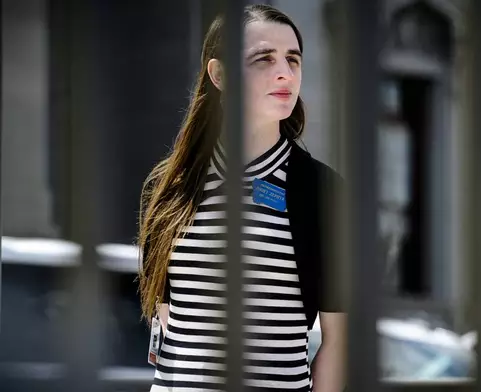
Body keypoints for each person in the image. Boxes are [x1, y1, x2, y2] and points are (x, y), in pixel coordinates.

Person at [137, 4, 346, 392]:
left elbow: (339, 341)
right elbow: (167, 329)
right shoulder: (169, 188)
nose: (285, 72)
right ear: (220, 74)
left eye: (293, 59)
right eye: (264, 59)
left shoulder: (323, 193)